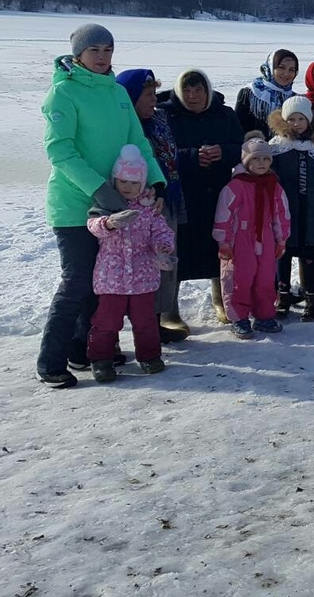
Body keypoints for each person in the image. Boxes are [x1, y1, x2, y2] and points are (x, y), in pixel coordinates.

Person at [37, 24, 166, 389]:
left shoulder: (116, 93)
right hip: (74, 206)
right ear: (77, 53)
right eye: (93, 49)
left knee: (103, 284)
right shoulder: (63, 93)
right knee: (78, 282)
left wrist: (156, 182)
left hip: (118, 203)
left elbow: (137, 142)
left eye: (108, 49)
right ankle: (50, 360)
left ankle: (85, 349)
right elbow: (60, 151)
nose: (102, 56)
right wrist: (99, 189)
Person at [157, 69, 243, 324]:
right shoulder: (166, 115)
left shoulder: (224, 114)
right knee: (177, 249)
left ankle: (221, 299)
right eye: (188, 90)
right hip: (181, 194)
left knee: (219, 246)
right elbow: (160, 151)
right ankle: (169, 310)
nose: (193, 96)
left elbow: (243, 147)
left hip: (218, 192)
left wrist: (223, 152)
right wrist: (191, 156)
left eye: (198, 90)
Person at [85, 145, 175, 381]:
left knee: (145, 322)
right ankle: (101, 359)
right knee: (106, 322)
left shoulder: (149, 210)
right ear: (115, 180)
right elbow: (93, 226)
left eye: (134, 183)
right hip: (111, 278)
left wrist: (163, 247)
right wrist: (110, 223)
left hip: (142, 276)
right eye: (123, 181)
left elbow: (161, 232)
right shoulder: (106, 204)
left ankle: (149, 356)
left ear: (143, 184)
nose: (128, 187)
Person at [116, 69, 187, 343]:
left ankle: (156, 322)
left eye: (154, 94)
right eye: (147, 95)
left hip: (168, 197)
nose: (153, 100)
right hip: (143, 206)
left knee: (165, 259)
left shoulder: (158, 121)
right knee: (145, 265)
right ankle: (144, 328)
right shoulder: (126, 128)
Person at [212, 134, 290, 340]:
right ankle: (239, 317)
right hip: (240, 238)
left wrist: (281, 239)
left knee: (265, 278)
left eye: (265, 159)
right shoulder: (236, 186)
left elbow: (281, 214)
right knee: (239, 278)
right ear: (246, 161)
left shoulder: (273, 185)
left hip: (265, 237)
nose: (261, 163)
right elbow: (224, 215)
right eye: (256, 159)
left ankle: (264, 314)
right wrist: (224, 241)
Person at [268, 97, 314, 321]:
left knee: (311, 255)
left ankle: (313, 298)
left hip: (313, 212)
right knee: (283, 254)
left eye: (301, 119)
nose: (297, 123)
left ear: (309, 120)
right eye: (292, 119)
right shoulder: (277, 148)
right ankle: (283, 296)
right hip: (285, 212)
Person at [235, 49, 298, 137]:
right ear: (270, 68)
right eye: (281, 68)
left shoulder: (295, 99)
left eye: (291, 70)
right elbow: (238, 129)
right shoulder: (250, 93)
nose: (286, 73)